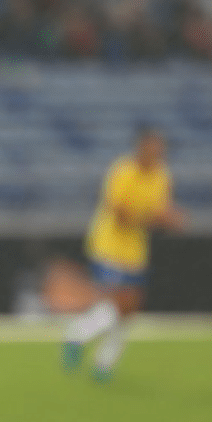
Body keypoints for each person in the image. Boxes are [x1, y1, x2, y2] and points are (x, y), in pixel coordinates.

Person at [61, 127, 186, 381]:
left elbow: (161, 209)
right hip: (109, 246)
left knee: (129, 310)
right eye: (153, 147)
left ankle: (103, 362)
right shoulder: (123, 171)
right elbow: (118, 215)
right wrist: (157, 218)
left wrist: (171, 218)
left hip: (135, 251)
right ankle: (78, 336)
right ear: (141, 148)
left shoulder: (161, 176)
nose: (158, 152)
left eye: (160, 148)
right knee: (120, 304)